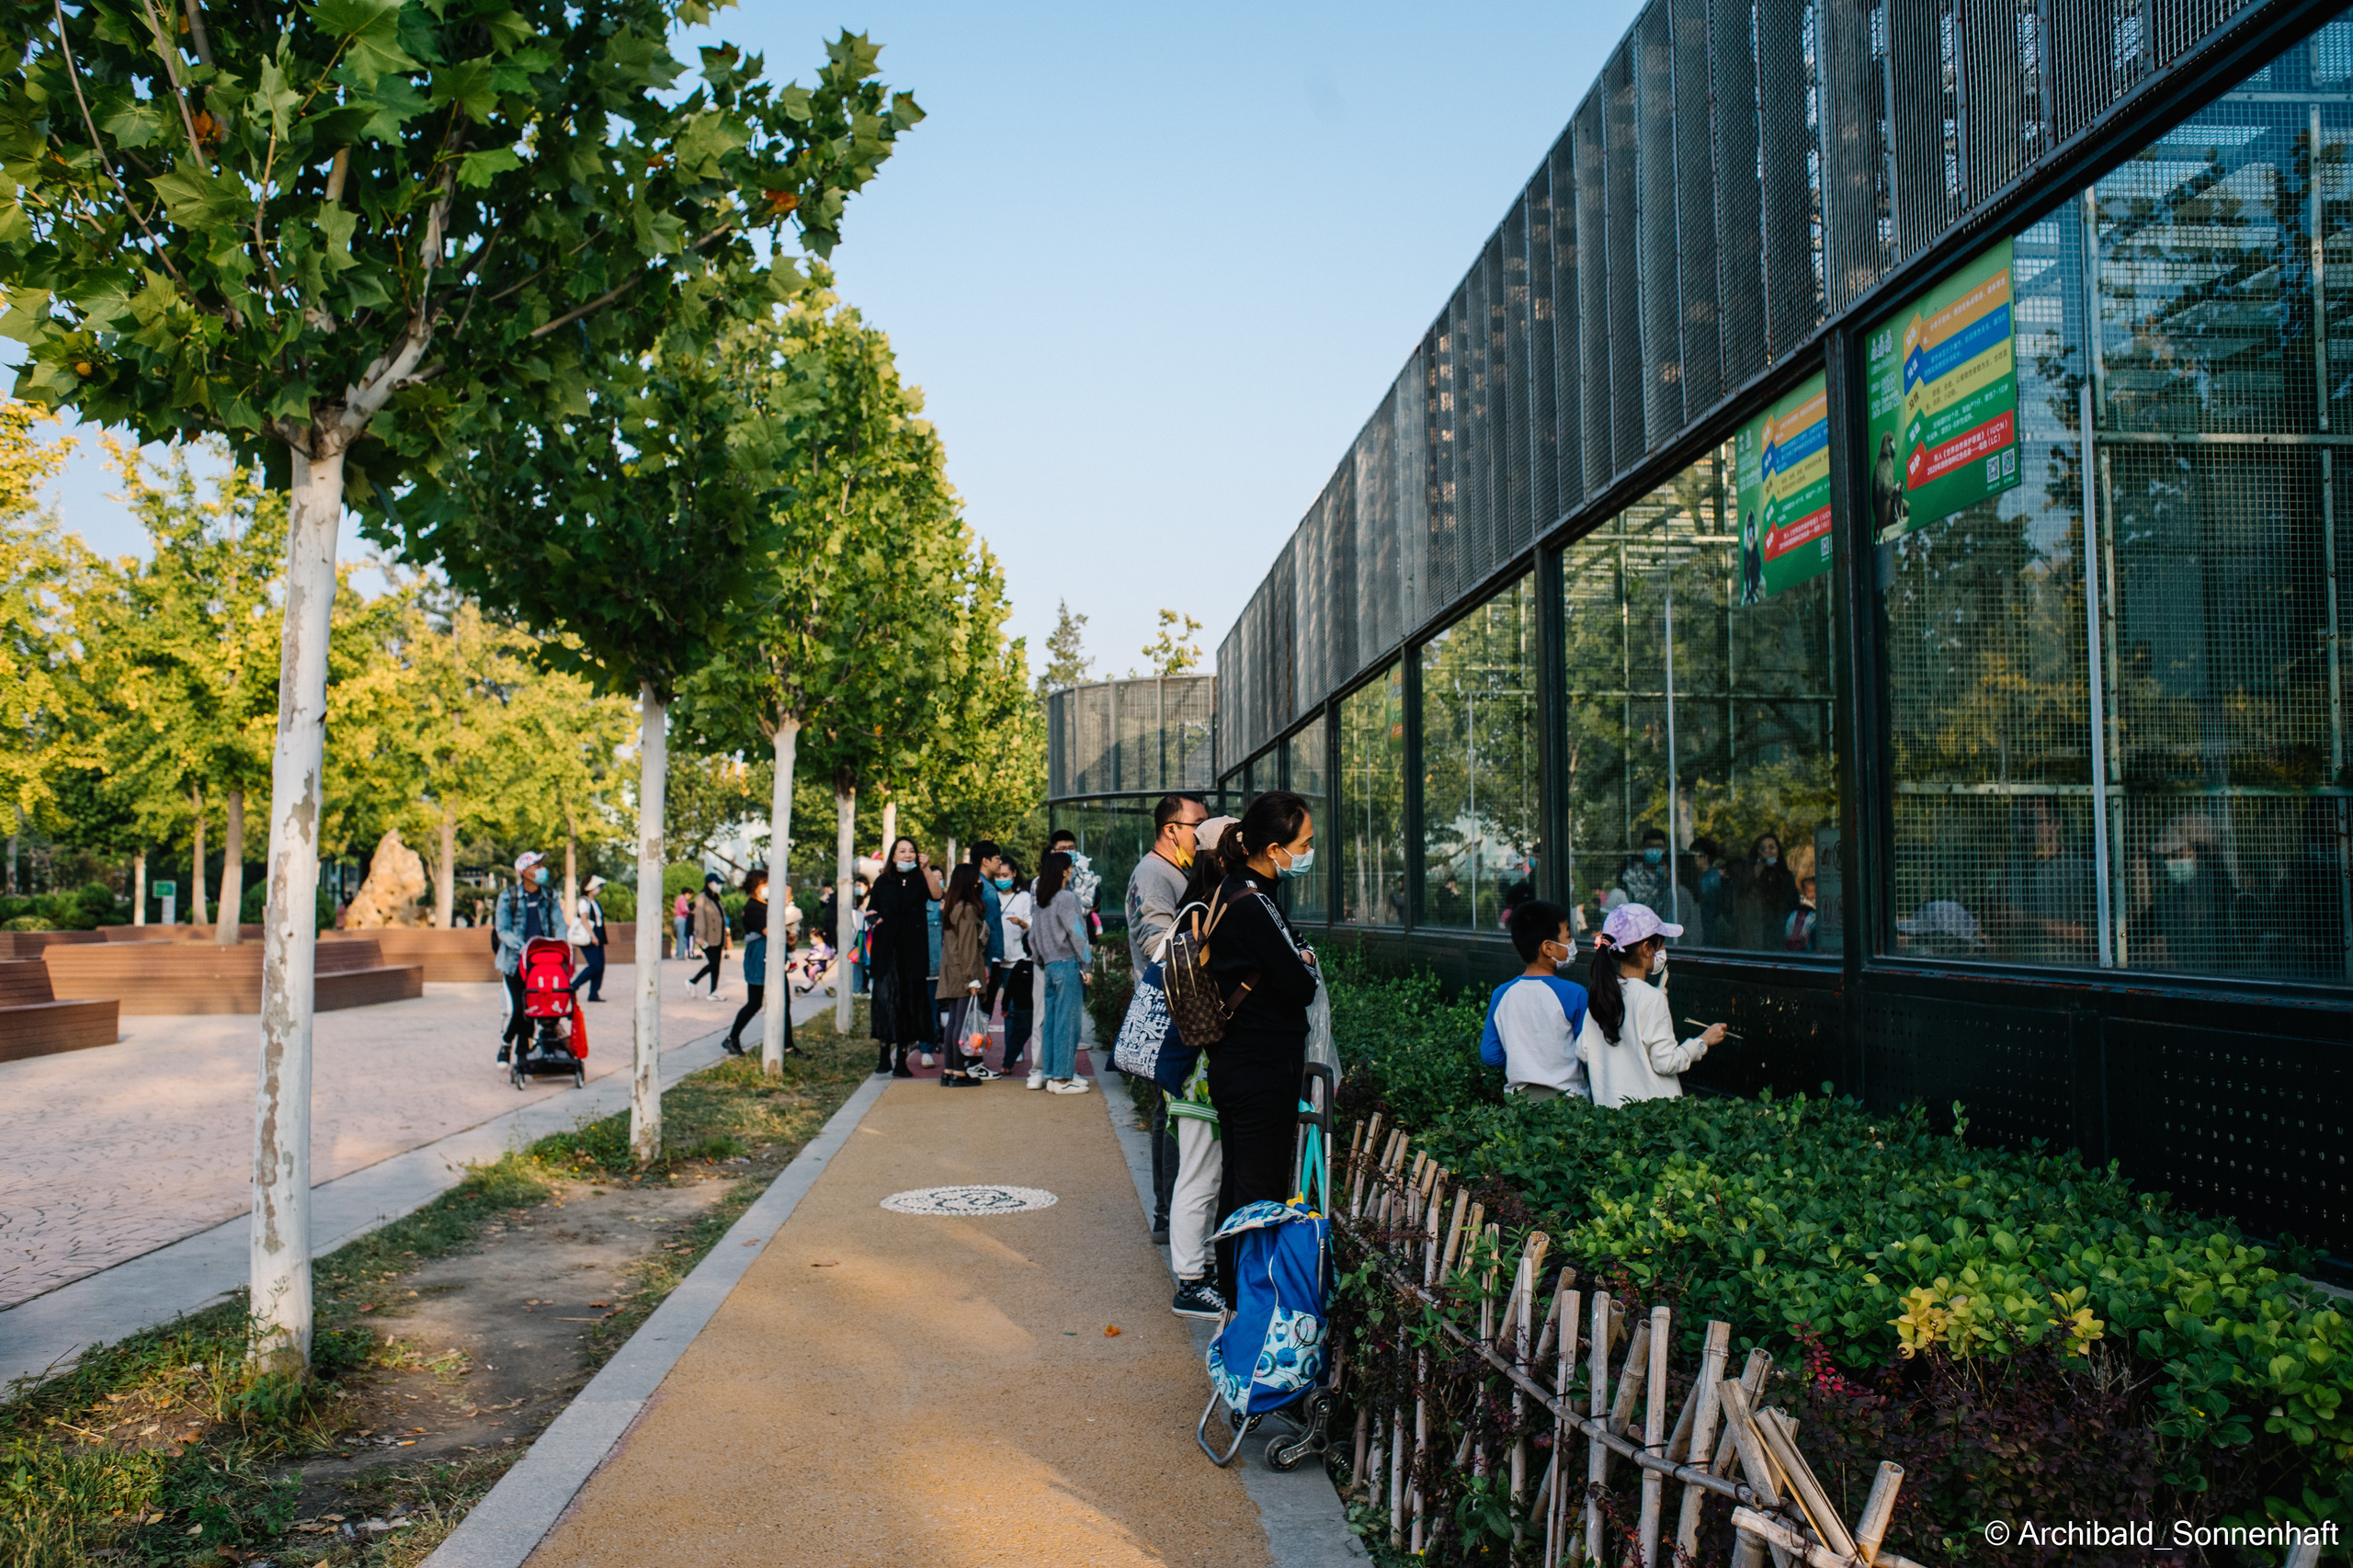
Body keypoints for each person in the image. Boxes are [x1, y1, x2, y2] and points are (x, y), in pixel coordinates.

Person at [1204, 790, 1321, 1308]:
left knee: (1238, 1181)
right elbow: (1300, 984)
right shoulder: (1255, 901)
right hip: (1261, 1066)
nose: (1308, 852)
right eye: (1305, 843)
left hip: (1236, 1061)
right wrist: (1303, 960)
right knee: (1258, 1189)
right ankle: (1252, 1305)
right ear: (1274, 849)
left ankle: (1235, 1294)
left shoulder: (1230, 888)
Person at [1165, 815, 1235, 1321]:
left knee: (1204, 1174)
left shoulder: (1195, 909)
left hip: (1194, 1067)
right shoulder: (1204, 915)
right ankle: (1190, 1281)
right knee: (1199, 1176)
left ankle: (1201, 1268)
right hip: (1200, 1070)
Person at [1577, 903, 1727, 1108]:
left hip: (1610, 1117)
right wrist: (1702, 1042)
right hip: (1651, 1120)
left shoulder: (1600, 995)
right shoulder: (1652, 999)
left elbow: (1583, 1050)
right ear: (1647, 948)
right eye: (1661, 944)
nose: (1663, 950)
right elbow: (1666, 1062)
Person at [1479, 898, 1591, 1102]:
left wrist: (1523, 1060)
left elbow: (1489, 1054)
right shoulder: (1575, 994)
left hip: (1519, 1103)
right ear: (1548, 948)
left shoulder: (1501, 994)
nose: (1571, 943)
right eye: (1567, 936)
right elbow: (1587, 1053)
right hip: (1568, 1103)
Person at [867, 836, 943, 1076]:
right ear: (893, 855)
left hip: (913, 950)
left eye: (912, 851)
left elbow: (937, 895)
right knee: (885, 999)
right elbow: (870, 910)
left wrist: (926, 868)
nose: (908, 855)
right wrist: (875, 920)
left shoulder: (920, 878)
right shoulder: (882, 881)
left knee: (909, 1003)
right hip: (886, 950)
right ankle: (883, 1055)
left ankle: (901, 1059)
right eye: (902, 851)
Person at [1029, 850, 1091, 1093]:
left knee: (1053, 1021)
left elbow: (1032, 938)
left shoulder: (1042, 900)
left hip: (1049, 965)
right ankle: (1063, 1079)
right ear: (1064, 871)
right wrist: (1086, 965)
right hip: (1067, 963)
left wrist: (1041, 960)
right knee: (1069, 1022)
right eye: (1071, 867)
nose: (1073, 870)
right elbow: (1078, 934)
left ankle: (1052, 1073)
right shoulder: (1066, 898)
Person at [1127, 793, 1209, 975]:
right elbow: (1158, 948)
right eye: (1199, 824)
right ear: (1170, 830)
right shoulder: (1153, 874)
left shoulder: (1170, 869)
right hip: (1168, 999)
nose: (1205, 832)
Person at [723, 869, 799, 1060]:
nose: (769, 887)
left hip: (771, 958)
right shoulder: (753, 908)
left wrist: (789, 939)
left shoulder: (765, 906)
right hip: (760, 960)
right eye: (765, 884)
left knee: (783, 1002)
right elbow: (770, 930)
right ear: (756, 886)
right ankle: (732, 1037)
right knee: (755, 1002)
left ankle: (788, 1046)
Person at [494, 850, 561, 1064]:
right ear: (524, 872)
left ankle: (522, 1054)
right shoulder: (508, 897)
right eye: (536, 866)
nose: (541, 870)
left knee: (533, 1009)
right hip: (514, 963)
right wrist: (523, 948)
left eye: (541, 865)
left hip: (542, 963)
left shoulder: (550, 896)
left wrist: (561, 947)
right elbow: (502, 930)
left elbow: (559, 924)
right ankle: (506, 1043)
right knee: (516, 1010)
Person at [936, 864, 991, 1085]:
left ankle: (949, 1070)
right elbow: (968, 947)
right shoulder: (968, 909)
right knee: (961, 1022)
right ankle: (959, 1072)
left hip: (951, 970)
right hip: (965, 972)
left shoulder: (952, 907)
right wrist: (972, 979)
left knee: (953, 1022)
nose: (980, 882)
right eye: (977, 878)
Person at [999, 856, 1036, 1077]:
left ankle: (1014, 1050)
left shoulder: (1023, 897)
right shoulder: (991, 895)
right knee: (1003, 1008)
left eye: (1005, 875)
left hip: (1017, 958)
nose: (1002, 879)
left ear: (1014, 874)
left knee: (1015, 1009)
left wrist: (1021, 923)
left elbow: (1031, 924)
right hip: (997, 959)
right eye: (998, 876)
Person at [1734, 834, 1797, 950]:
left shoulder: (1786, 876)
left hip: (1780, 932)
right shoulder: (1752, 875)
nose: (1767, 851)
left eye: (1772, 848)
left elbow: (1792, 903)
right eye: (1763, 849)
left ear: (1778, 851)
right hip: (1757, 933)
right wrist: (1755, 876)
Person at [686, 873, 729, 998]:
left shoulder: (716, 898)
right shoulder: (702, 897)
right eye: (717, 883)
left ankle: (713, 991)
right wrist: (700, 935)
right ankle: (692, 981)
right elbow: (699, 917)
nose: (719, 886)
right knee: (714, 963)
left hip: (718, 937)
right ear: (710, 884)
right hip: (706, 938)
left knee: (717, 965)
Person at [570, 874, 608, 1003]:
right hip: (589, 934)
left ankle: (594, 993)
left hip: (598, 932)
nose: (598, 889)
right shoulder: (584, 901)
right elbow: (584, 919)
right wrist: (593, 936)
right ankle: (574, 985)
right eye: (596, 886)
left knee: (601, 965)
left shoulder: (594, 902)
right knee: (595, 965)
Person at [1618, 826, 1673, 911]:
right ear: (1643, 848)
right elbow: (1642, 906)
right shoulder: (1631, 875)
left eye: (1659, 847)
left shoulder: (1669, 874)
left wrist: (1669, 880)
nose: (1654, 850)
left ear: (1665, 849)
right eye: (1650, 846)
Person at [673, 889, 695, 960]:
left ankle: (679, 954)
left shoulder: (680, 898)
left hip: (678, 919)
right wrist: (690, 911)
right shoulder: (682, 898)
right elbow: (683, 909)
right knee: (682, 938)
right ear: (688, 893)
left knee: (680, 938)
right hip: (681, 919)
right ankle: (681, 955)